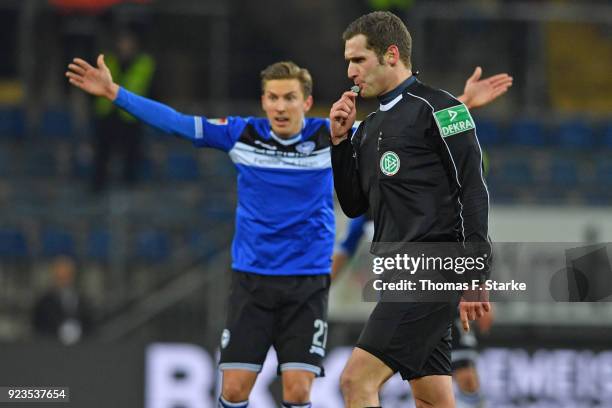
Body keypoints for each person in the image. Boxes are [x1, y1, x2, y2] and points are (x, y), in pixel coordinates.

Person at [66, 52, 509, 407]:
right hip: (252, 282)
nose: (280, 107)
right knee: (235, 389)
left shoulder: (332, 135)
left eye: (289, 98)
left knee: (299, 390)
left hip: (306, 284)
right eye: (273, 98)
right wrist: (114, 92)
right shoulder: (244, 136)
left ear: (305, 101)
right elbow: (179, 124)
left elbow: (403, 129)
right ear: (263, 101)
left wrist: (461, 105)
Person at [329, 11, 494, 408]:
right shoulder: (366, 129)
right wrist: (339, 144)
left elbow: (473, 189)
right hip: (397, 274)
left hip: (432, 271)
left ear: (390, 55)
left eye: (358, 59)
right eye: (347, 61)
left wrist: (475, 271)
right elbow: (354, 206)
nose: (350, 71)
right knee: (433, 397)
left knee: (356, 381)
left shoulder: (445, 109)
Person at [332, 215, 496, 408]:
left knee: (464, 377)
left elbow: (471, 228)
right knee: (363, 382)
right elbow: (345, 249)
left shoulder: (432, 196)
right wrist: (319, 289)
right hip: (400, 304)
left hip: (441, 298)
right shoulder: (367, 209)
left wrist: (477, 284)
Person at [92, 29, 155, 192]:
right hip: (107, 116)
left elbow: (152, 89)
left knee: (132, 156)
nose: (125, 46)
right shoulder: (108, 60)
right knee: (102, 155)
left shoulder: (144, 63)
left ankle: (130, 188)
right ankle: (98, 188)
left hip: (131, 117)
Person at [32, 255, 94, 345]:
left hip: (80, 350)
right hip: (51, 348)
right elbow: (38, 329)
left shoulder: (83, 301)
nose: (63, 281)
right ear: (54, 277)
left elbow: (91, 327)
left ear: (72, 276)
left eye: (67, 277)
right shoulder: (43, 303)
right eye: (60, 278)